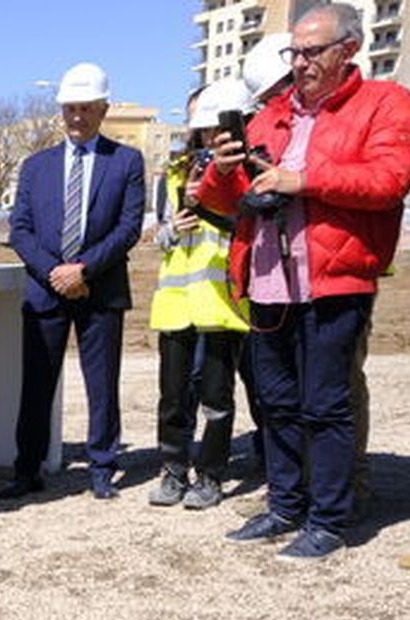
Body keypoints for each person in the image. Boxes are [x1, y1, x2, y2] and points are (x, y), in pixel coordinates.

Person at [198, 2, 410, 560]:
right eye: (294, 52)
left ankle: (329, 517)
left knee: (325, 404)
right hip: (269, 278)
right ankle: (284, 504)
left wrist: (305, 179)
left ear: (350, 49)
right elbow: (226, 202)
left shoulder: (385, 104)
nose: (300, 63)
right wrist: (221, 172)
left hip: (333, 280)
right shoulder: (271, 113)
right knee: (275, 402)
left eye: (312, 51)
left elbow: (389, 179)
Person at [0, 62, 146, 502]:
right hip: (46, 291)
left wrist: (82, 270)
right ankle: (28, 469)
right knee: (37, 384)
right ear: (61, 111)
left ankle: (102, 467)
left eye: (86, 108)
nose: (77, 117)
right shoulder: (36, 166)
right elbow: (19, 230)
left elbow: (128, 227)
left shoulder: (126, 162)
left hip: (100, 290)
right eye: (70, 109)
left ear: (104, 109)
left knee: (102, 385)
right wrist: (55, 274)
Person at [146, 80, 250, 511]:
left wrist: (211, 199)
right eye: (202, 132)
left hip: (220, 304)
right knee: (173, 398)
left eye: (214, 132)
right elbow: (160, 236)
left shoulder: (244, 172)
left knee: (216, 399)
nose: (207, 140)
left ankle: (209, 475)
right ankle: (173, 470)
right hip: (176, 304)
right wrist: (173, 228)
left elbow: (245, 227)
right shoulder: (173, 175)